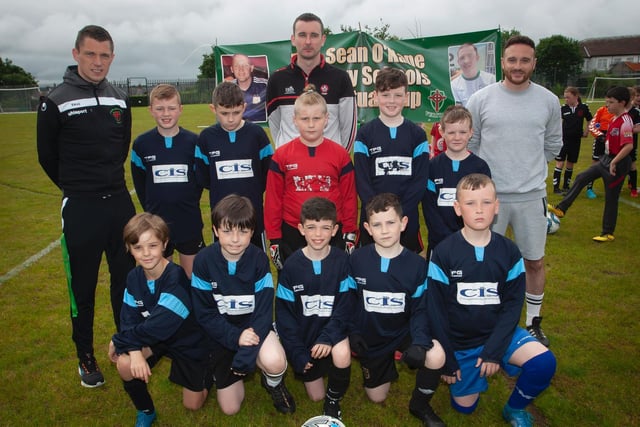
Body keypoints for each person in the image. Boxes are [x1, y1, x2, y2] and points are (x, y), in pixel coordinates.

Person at [36, 24, 136, 388]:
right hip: (81, 206)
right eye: (91, 54)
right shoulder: (56, 99)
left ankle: (125, 346)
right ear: (76, 54)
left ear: (112, 57)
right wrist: (77, 189)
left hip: (119, 204)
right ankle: (86, 356)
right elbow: (47, 156)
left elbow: (120, 146)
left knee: (126, 282)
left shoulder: (119, 98)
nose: (98, 62)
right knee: (84, 287)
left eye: (105, 55)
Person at [428, 173, 556, 427]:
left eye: (486, 203)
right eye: (470, 203)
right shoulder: (444, 252)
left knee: (544, 363)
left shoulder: (509, 251)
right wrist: (449, 361)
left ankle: (514, 408)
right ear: (457, 208)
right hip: (461, 343)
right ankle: (490, 369)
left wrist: (493, 352)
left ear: (497, 207)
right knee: (465, 408)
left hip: (499, 334)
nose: (479, 210)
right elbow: (436, 310)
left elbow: (512, 307)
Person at [466, 35, 562, 348]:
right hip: (490, 198)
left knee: (533, 261)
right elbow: (472, 143)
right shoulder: (482, 99)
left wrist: (525, 171)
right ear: (503, 62)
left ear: (534, 63)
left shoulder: (548, 100)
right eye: (512, 60)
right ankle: (485, 321)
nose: (518, 66)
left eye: (524, 60)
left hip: (531, 196)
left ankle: (533, 323)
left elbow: (552, 146)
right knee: (485, 262)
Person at [190, 194, 296, 415]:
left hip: (254, 328)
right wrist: (235, 337)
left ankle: (273, 383)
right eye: (227, 231)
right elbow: (205, 313)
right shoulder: (203, 261)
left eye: (243, 231)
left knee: (275, 361)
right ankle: (216, 369)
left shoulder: (258, 259)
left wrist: (246, 353)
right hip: (220, 333)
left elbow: (264, 311)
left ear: (252, 232)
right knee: (230, 409)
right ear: (216, 230)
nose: (235, 239)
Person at [349, 193, 446, 427]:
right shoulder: (356, 260)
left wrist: (420, 342)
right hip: (372, 336)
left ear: (403, 223)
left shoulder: (417, 265)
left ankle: (420, 405)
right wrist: (353, 332)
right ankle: (384, 364)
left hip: (404, 332)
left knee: (436, 354)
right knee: (376, 396)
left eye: (391, 223)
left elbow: (420, 309)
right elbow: (349, 302)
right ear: (367, 228)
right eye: (377, 225)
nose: (384, 230)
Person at [109, 213, 212, 427]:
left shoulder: (177, 279)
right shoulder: (133, 278)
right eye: (138, 247)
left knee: (193, 404)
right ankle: (146, 411)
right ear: (129, 248)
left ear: (165, 244)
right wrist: (135, 352)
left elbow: (158, 327)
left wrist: (119, 341)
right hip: (153, 339)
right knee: (125, 363)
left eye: (152, 245)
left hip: (188, 343)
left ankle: (209, 372)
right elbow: (128, 317)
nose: (146, 254)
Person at [275, 197, 354, 420]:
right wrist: (297, 352)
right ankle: (320, 377)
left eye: (325, 228)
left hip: (332, 333)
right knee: (314, 395)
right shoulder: (291, 266)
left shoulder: (342, 262)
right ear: (301, 229)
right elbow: (284, 317)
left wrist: (329, 337)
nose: (318, 234)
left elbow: (346, 307)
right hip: (306, 341)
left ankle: (333, 401)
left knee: (342, 352)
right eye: (311, 227)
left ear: (335, 230)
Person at [265, 85, 358, 270]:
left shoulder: (340, 155)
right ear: (294, 120)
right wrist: (274, 237)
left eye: (316, 118)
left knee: (333, 284)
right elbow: (273, 199)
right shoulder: (282, 155)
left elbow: (349, 197)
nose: (311, 124)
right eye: (304, 118)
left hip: (331, 230)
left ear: (326, 119)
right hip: (293, 231)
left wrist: (349, 232)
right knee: (294, 286)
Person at [131, 84, 204, 279]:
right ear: (151, 110)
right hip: (157, 224)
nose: (166, 113)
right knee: (162, 279)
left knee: (193, 279)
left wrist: (185, 201)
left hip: (188, 221)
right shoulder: (142, 144)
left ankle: (193, 311)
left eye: (171, 108)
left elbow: (199, 181)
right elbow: (140, 183)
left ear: (180, 109)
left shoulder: (193, 142)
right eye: (160, 108)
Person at [353, 67, 429, 253]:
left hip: (405, 218)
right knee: (371, 272)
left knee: (406, 272)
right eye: (386, 95)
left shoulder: (417, 135)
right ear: (375, 96)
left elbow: (420, 180)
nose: (392, 101)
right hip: (373, 218)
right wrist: (379, 213)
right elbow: (362, 180)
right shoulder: (365, 134)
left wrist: (398, 214)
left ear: (406, 97)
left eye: (398, 95)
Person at [548, 86, 634, 242]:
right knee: (582, 177)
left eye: (611, 102)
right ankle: (561, 209)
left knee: (611, 198)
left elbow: (628, 146)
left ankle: (607, 232)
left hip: (618, 163)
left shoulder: (626, 121)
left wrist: (614, 162)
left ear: (622, 103)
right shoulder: (614, 118)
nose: (608, 105)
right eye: (607, 102)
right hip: (606, 159)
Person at [195, 81, 273, 251]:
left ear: (244, 107)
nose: (230, 119)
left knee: (256, 262)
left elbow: (268, 174)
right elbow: (203, 178)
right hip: (222, 218)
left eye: (236, 113)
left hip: (253, 217)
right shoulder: (206, 138)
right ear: (213, 109)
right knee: (223, 266)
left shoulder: (257, 135)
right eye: (224, 113)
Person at [266, 12, 357, 151]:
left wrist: (336, 159)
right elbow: (275, 127)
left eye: (314, 35)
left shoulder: (340, 78)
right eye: (302, 35)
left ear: (323, 39)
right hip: (290, 168)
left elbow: (348, 129)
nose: (308, 42)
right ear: (293, 39)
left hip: (329, 168)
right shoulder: (277, 80)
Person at [422, 105, 491, 259]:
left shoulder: (480, 167)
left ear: (471, 132)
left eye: (462, 132)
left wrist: (467, 237)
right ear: (442, 132)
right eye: (451, 132)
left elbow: (483, 206)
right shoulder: (432, 167)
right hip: (439, 242)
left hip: (472, 240)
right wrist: (445, 238)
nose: (457, 137)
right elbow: (429, 208)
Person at [553, 87, 593, 194]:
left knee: (570, 163)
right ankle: (556, 188)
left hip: (575, 140)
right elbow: (557, 123)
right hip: (563, 140)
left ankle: (566, 186)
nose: (566, 99)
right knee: (560, 163)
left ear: (576, 96)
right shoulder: (563, 109)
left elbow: (590, 119)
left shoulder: (583, 108)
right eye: (565, 97)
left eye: (568, 97)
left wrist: (586, 131)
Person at [450, 43, 496, 107]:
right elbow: (458, 109)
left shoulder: (492, 79)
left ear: (477, 57)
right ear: (458, 62)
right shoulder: (453, 85)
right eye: (462, 58)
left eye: (470, 56)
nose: (466, 61)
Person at [585, 105, 614, 198]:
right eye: (608, 99)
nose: (609, 103)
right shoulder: (601, 110)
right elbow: (592, 125)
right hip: (600, 140)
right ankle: (589, 189)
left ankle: (611, 189)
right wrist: (600, 135)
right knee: (595, 164)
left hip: (613, 139)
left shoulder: (621, 111)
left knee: (612, 164)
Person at [230, 54, 268, 122]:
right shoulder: (227, 89)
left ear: (252, 68)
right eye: (236, 66)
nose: (241, 69)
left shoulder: (265, 85)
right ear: (232, 69)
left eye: (245, 65)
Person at [626, 86, 640, 197]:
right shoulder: (619, 110)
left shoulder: (635, 112)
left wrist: (625, 129)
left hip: (630, 143)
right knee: (618, 165)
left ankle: (634, 188)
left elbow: (637, 129)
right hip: (619, 143)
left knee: (631, 164)